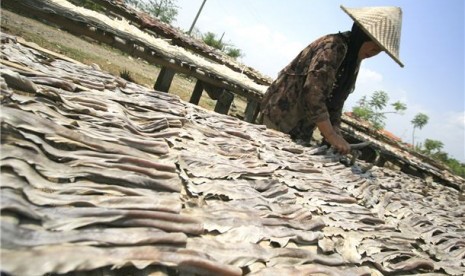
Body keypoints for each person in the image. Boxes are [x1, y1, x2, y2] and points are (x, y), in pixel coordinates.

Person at [260, 5, 403, 155]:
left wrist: (336, 130)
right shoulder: (333, 46)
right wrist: (331, 135)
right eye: (373, 48)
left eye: (379, 51)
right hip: (282, 116)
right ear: (362, 36)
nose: (373, 54)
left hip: (302, 126)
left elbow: (336, 102)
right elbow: (313, 94)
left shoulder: (353, 61)